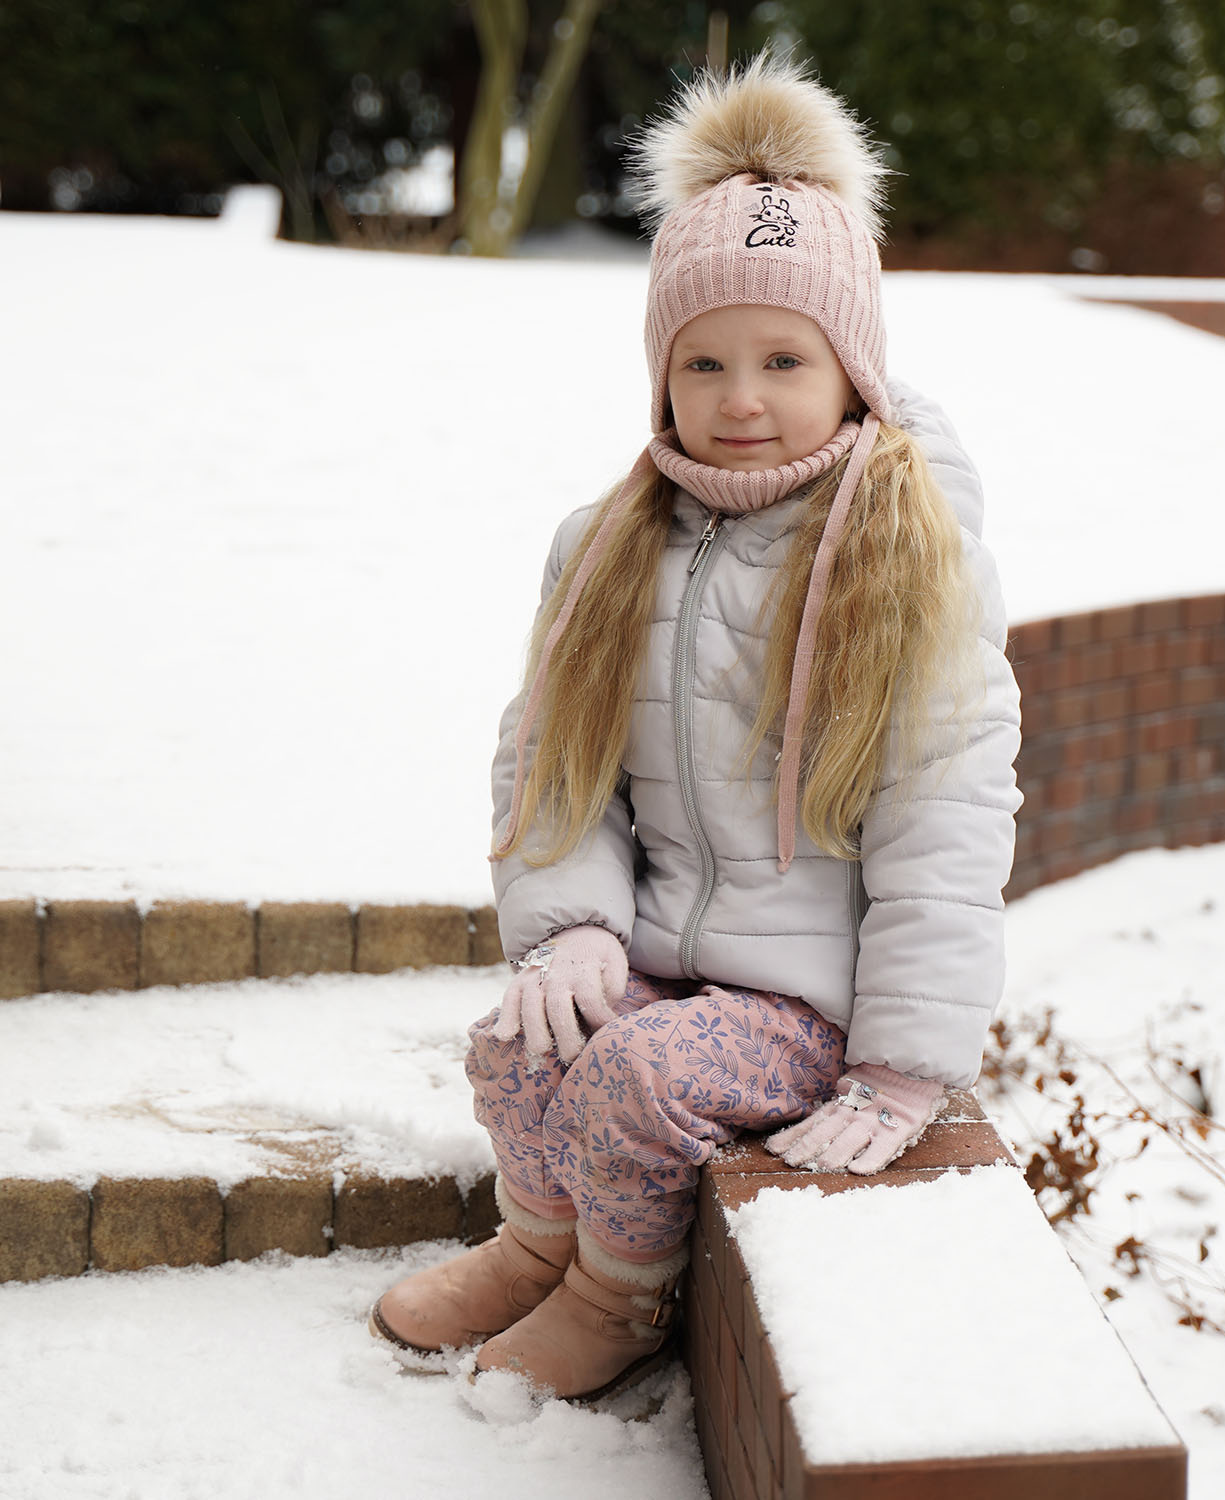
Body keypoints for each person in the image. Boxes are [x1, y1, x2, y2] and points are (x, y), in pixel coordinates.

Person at [368, 53, 1023, 1404]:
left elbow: (946, 819)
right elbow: (550, 765)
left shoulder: (906, 559)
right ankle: (539, 1239)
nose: (740, 399)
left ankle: (618, 1296)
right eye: (704, 361)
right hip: (662, 946)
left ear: (854, 372)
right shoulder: (610, 544)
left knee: (646, 1077)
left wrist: (904, 1063)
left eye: (785, 360)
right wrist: (573, 925)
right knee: (523, 1044)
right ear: (659, 376)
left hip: (810, 1001)